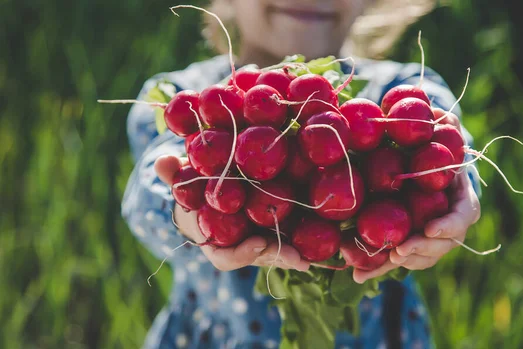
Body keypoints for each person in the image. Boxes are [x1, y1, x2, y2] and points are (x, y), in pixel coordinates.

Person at [121, 1, 482, 348]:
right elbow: (147, 191)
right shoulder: (186, 97)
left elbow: (451, 144)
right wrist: (187, 211)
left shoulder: (402, 84)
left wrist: (456, 187)